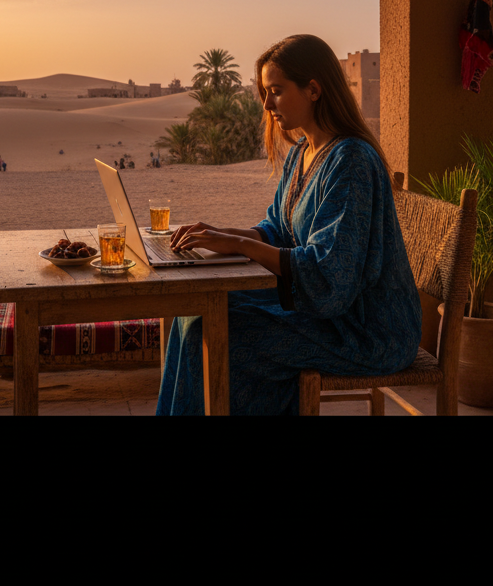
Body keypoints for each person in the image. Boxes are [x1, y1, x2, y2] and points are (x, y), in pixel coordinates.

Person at [156, 33, 421, 416]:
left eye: (276, 92)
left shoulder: (351, 161)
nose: (267, 105)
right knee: (193, 312)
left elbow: (330, 274)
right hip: (324, 312)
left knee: (210, 333)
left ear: (313, 89)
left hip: (366, 330)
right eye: (266, 93)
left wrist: (242, 246)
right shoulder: (302, 153)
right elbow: (278, 231)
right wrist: (219, 235)